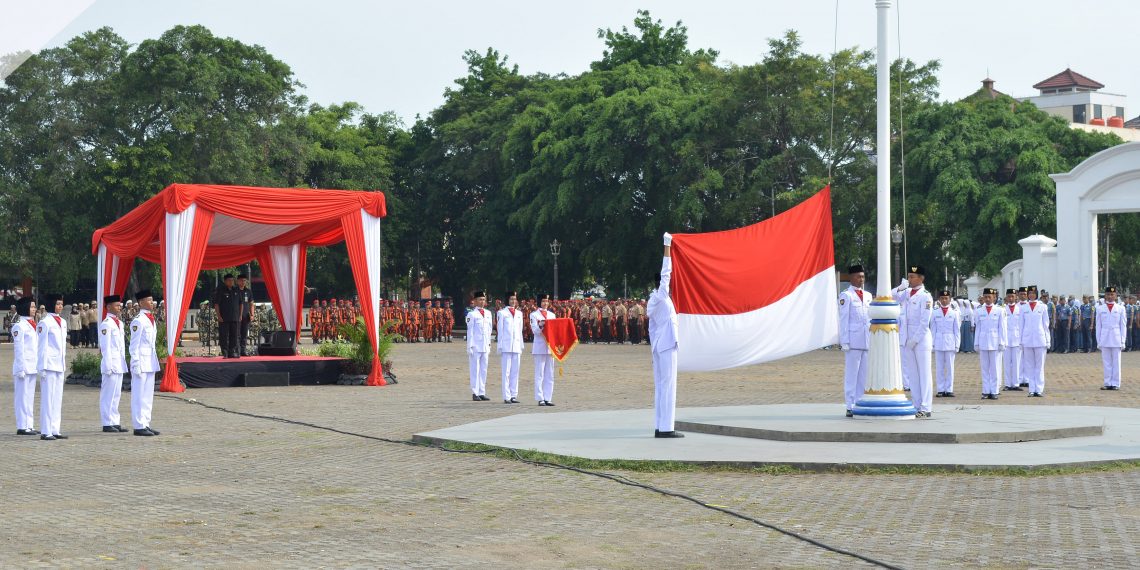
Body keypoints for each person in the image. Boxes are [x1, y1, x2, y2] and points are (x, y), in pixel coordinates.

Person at [649, 234, 683, 438]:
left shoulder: (654, 300)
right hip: (667, 345)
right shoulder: (661, 296)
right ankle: (666, 428)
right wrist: (667, 246)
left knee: (662, 386)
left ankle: (660, 425)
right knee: (668, 386)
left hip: (660, 345)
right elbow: (666, 273)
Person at [892, 266, 933, 418]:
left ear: (921, 278)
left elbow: (924, 321)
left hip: (921, 339)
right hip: (907, 337)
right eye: (909, 276)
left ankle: (926, 406)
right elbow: (891, 296)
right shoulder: (907, 293)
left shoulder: (926, 296)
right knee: (913, 375)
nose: (910, 279)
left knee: (924, 373)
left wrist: (915, 340)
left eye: (913, 277)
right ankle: (916, 404)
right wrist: (901, 287)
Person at [837, 264, 871, 417]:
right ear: (851, 277)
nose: (861, 279)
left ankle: (860, 401)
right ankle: (850, 404)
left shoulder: (869, 295)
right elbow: (843, 319)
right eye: (858, 276)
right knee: (852, 375)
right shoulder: (846, 295)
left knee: (863, 375)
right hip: (853, 339)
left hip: (866, 339)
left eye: (863, 276)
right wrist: (844, 340)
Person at [129, 290, 161, 436]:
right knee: (139, 395)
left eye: (152, 299)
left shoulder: (150, 319)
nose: (152, 302)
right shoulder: (138, 320)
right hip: (141, 362)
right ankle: (138, 425)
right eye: (149, 300)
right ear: (141, 303)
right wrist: (135, 364)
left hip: (150, 361)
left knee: (148, 395)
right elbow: (133, 345)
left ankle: (146, 422)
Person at [37, 293, 68, 440]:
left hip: (59, 364)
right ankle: (46, 430)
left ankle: (55, 429)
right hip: (48, 365)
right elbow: (42, 346)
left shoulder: (62, 322)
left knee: (57, 399)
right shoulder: (45, 322)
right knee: (48, 399)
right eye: (57, 304)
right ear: (51, 305)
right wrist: (41, 367)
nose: (60, 306)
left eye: (61, 304)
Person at [98, 295, 129, 433]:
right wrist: (109, 365)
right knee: (108, 394)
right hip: (110, 363)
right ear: (109, 307)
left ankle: (114, 421)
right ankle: (106, 422)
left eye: (120, 305)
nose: (119, 308)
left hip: (119, 362)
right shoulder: (106, 324)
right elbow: (106, 347)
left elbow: (121, 346)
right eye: (117, 305)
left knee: (116, 394)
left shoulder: (119, 323)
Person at [11, 296, 39, 435]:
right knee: (22, 397)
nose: (34, 309)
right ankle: (22, 425)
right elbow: (19, 348)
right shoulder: (19, 325)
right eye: (32, 307)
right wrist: (21, 367)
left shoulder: (33, 324)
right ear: (25, 308)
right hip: (23, 367)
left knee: (29, 397)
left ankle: (29, 424)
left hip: (32, 366)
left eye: (34, 307)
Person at [973, 288, 1006, 399]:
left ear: (994, 298)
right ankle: (986, 391)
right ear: (983, 297)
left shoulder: (1000, 310)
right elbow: (978, 328)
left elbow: (1002, 328)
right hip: (983, 342)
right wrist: (976, 343)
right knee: (985, 368)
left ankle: (994, 391)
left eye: (989, 297)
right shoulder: (978, 311)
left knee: (995, 368)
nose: (987, 299)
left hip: (995, 342)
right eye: (985, 297)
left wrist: (1002, 342)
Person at [1020, 285, 1050, 397]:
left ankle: (1039, 389)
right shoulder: (1023, 308)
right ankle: (1032, 389)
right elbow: (1021, 325)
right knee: (1029, 366)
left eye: (1033, 293)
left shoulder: (1043, 307)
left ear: (1036, 294)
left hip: (1040, 339)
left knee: (1039, 365)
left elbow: (1046, 325)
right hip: (1027, 339)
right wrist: (1020, 341)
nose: (1031, 295)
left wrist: (1048, 340)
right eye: (1030, 293)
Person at [932, 289, 962, 398]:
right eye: (942, 298)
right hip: (939, 342)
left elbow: (957, 330)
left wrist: (957, 344)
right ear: (939, 300)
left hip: (950, 342)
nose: (944, 300)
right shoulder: (935, 313)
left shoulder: (954, 313)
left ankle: (949, 389)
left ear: (950, 300)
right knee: (939, 367)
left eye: (946, 298)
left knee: (950, 367)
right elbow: (933, 330)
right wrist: (932, 344)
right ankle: (940, 389)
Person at [496, 291, 524, 404]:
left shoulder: (519, 313)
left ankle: (513, 395)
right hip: (506, 345)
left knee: (515, 371)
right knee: (506, 372)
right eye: (511, 299)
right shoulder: (502, 313)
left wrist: (521, 345)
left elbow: (520, 330)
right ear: (507, 300)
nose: (513, 301)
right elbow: (500, 330)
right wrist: (500, 345)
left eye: (515, 299)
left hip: (516, 345)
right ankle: (506, 396)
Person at [1096, 286, 1127, 391]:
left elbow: (1123, 326)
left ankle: (1116, 383)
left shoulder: (1120, 308)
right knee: (1106, 362)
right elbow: (1098, 326)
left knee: (1116, 362)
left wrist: (1123, 341)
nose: (1110, 296)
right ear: (1105, 295)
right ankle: (1107, 382)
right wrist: (1098, 340)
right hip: (1104, 338)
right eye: (1108, 294)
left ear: (1116, 296)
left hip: (1116, 337)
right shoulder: (1100, 309)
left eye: (1112, 294)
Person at [466, 291, 492, 401]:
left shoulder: (488, 313)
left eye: (483, 299)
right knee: (475, 369)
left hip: (485, 345)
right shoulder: (472, 314)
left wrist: (489, 344)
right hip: (475, 345)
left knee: (483, 369)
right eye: (480, 299)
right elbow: (470, 331)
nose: (482, 301)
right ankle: (475, 392)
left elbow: (489, 330)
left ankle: (482, 391)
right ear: (475, 301)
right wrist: (470, 346)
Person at [530, 294, 556, 406]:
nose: (545, 303)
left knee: (549, 374)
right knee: (539, 373)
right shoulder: (534, 315)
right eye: (543, 301)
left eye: (547, 301)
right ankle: (540, 398)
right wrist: (541, 325)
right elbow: (535, 331)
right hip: (540, 346)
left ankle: (548, 397)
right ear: (539, 302)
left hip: (550, 347)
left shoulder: (552, 315)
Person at [214, 274, 241, 358]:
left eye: (232, 280)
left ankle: (232, 352)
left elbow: (241, 304)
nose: (231, 282)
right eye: (229, 280)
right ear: (225, 281)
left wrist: (240, 315)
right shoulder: (221, 290)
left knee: (234, 335)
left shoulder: (236, 290)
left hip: (235, 317)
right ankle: (225, 352)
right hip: (224, 318)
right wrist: (218, 316)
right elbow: (216, 304)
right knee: (224, 335)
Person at [1002, 289, 1023, 392]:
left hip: (1017, 338)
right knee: (1006, 363)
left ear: (1016, 297)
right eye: (1009, 296)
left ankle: (1015, 383)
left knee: (1016, 362)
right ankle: (1007, 384)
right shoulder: (1003, 309)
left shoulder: (1020, 309)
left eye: (1012, 296)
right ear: (1006, 297)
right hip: (1006, 339)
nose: (1011, 298)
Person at [236, 274, 254, 357]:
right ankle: (237, 350)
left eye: (245, 281)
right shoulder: (234, 290)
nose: (243, 282)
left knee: (244, 334)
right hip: (236, 315)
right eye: (241, 280)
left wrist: (252, 314)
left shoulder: (248, 291)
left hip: (246, 315)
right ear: (238, 281)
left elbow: (251, 304)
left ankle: (243, 350)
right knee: (237, 334)